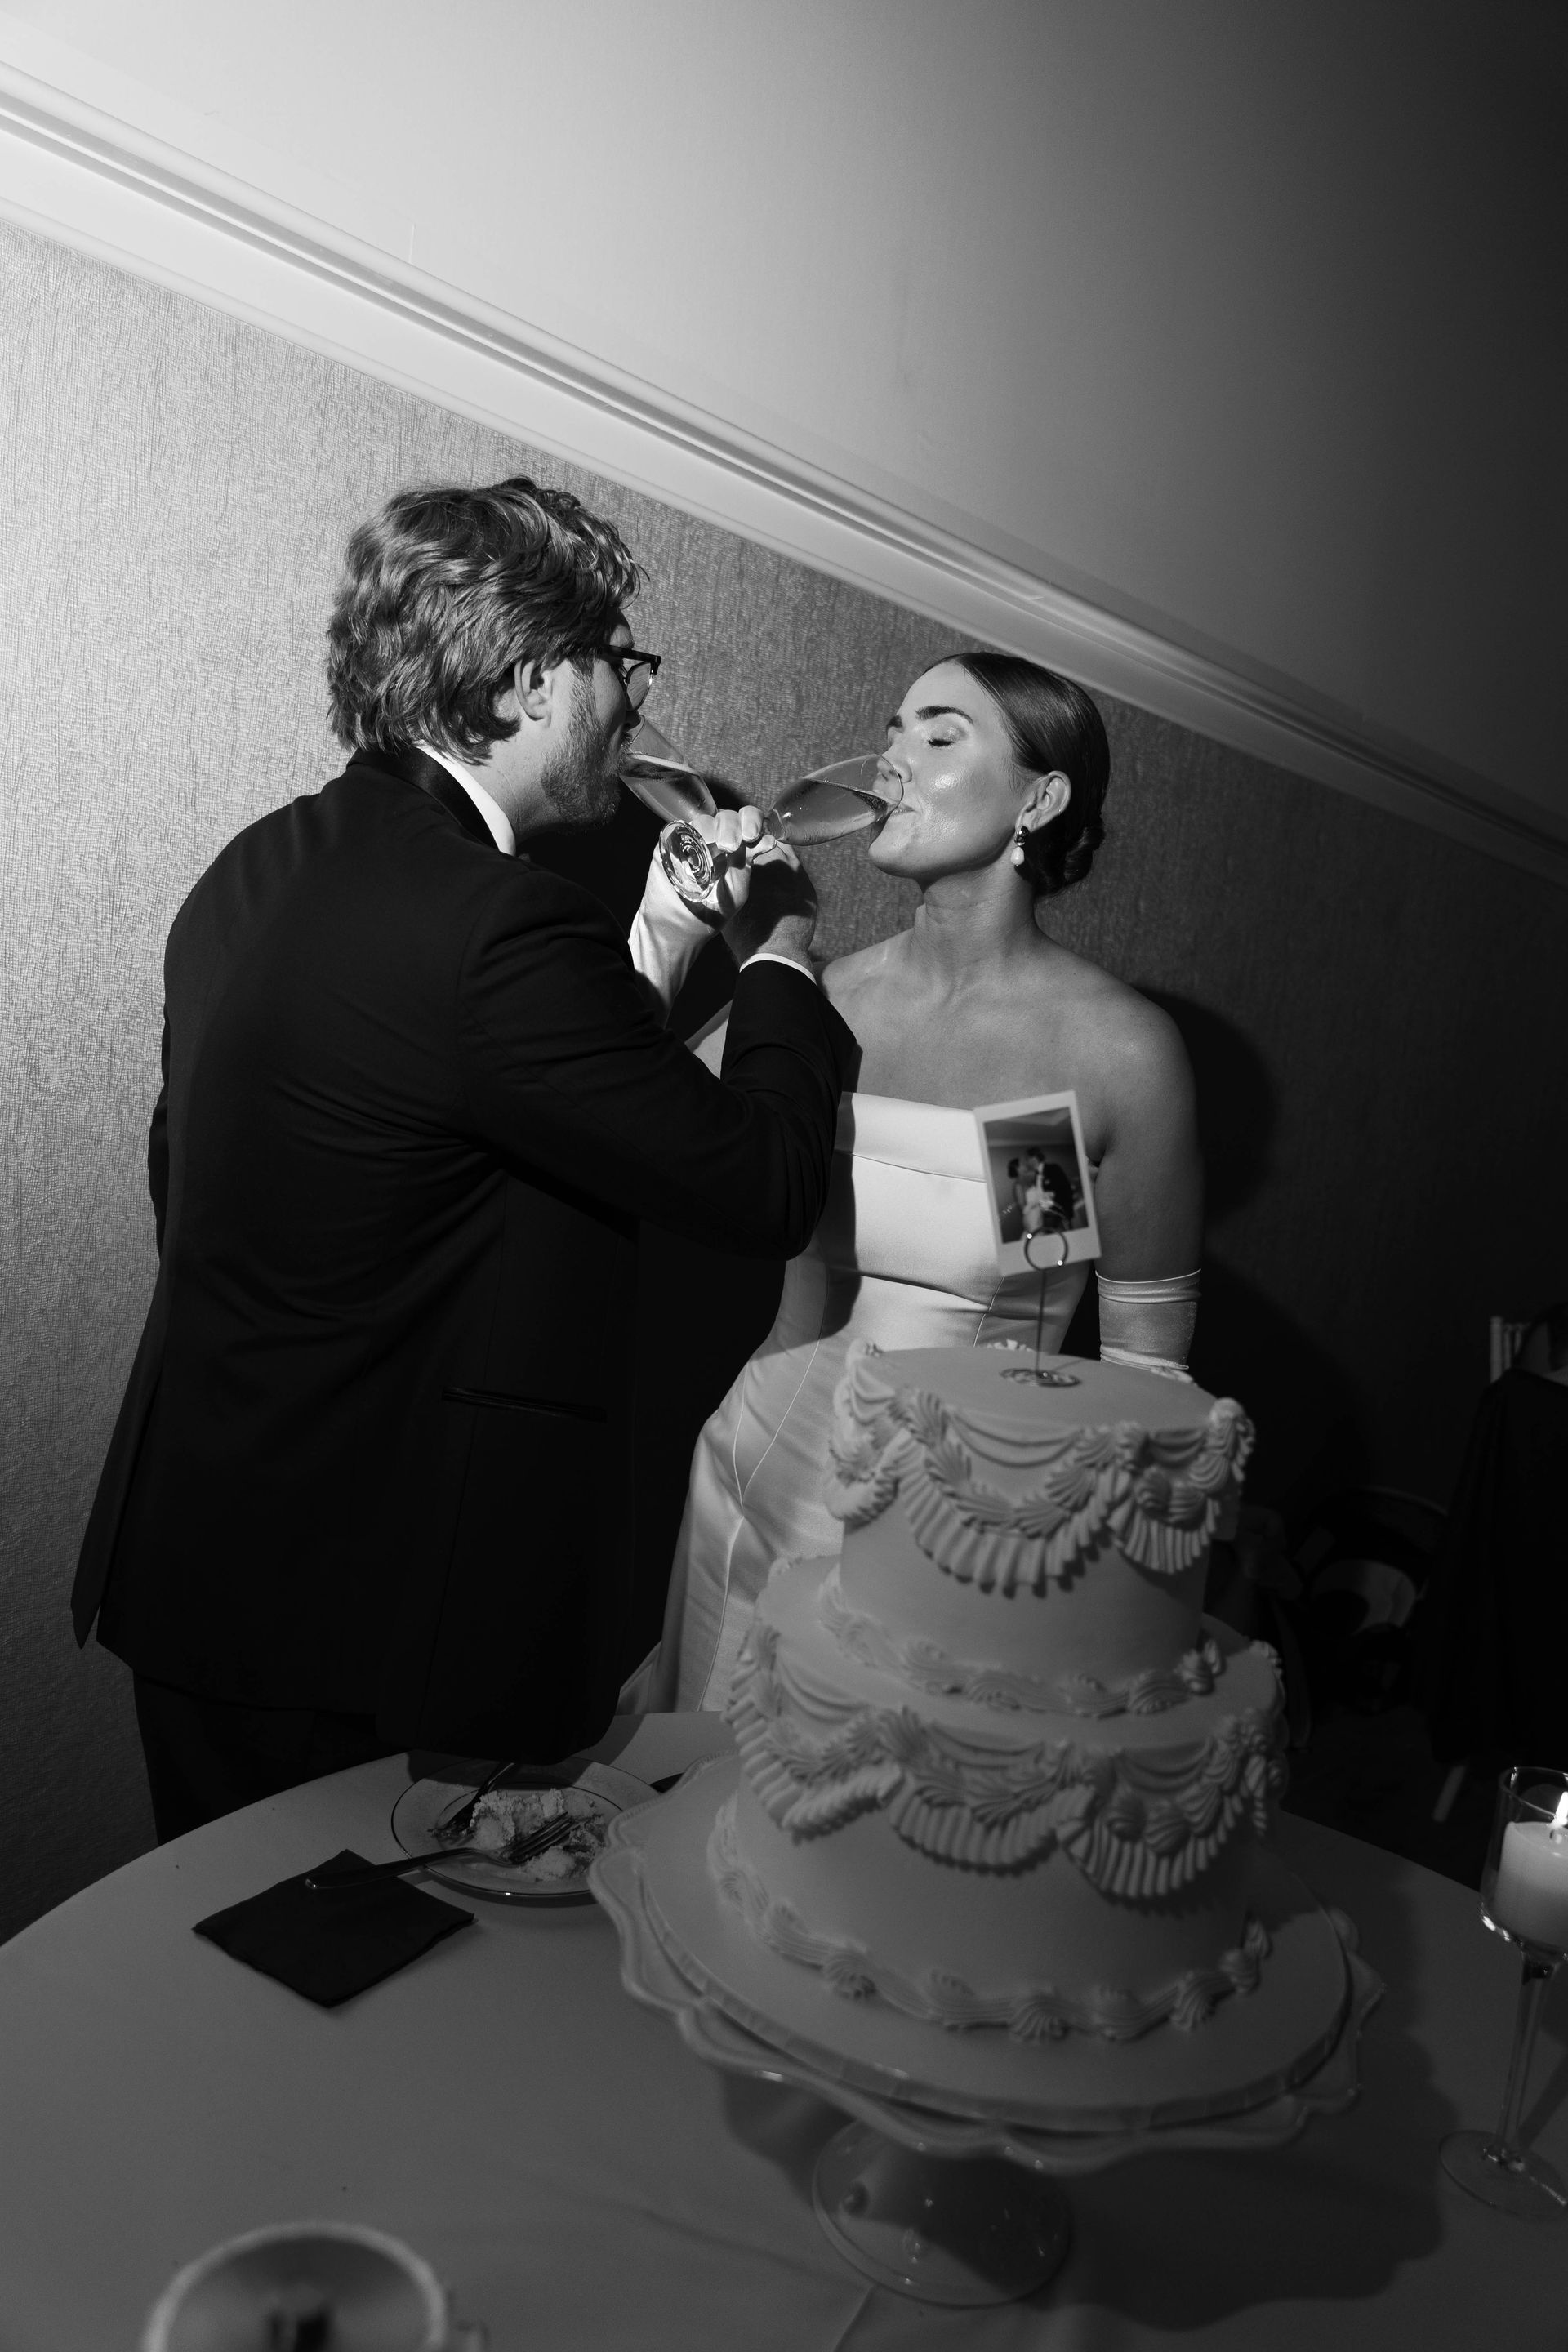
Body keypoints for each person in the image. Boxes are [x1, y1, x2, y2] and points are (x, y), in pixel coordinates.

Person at [71, 474, 855, 1839]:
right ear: (537, 674)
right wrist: (780, 957)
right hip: (364, 1604)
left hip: (205, 1547)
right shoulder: (495, 927)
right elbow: (764, 1184)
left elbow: (447, 1107)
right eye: (621, 661)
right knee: (367, 2020)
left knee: (234, 2004)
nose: (628, 700)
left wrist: (663, 931)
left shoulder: (258, 868)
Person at [646, 648, 1202, 1712]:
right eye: (891, 733)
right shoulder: (816, 1001)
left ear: (1039, 798)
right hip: (753, 1479)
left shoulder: (1111, 1055)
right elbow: (633, 1126)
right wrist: (701, 922)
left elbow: (1148, 1392)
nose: (892, 763)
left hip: (964, 1532)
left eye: (939, 736)